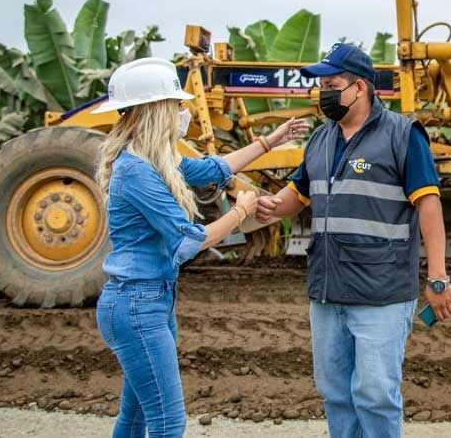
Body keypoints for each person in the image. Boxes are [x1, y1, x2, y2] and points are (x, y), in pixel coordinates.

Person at [92, 57, 309, 438]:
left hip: (148, 301)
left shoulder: (155, 162)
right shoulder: (138, 172)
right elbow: (188, 241)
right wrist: (241, 211)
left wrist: (269, 142)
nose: (183, 112)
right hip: (137, 306)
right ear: (154, 111)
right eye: (176, 105)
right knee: (167, 422)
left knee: (137, 418)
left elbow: (213, 169)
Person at [253, 43, 451, 438]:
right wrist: (268, 206)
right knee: (335, 393)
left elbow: (429, 208)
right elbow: (297, 195)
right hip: (328, 290)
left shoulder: (403, 134)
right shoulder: (321, 139)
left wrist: (438, 278)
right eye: (321, 85)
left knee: (375, 393)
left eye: (331, 84)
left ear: (359, 88)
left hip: (381, 292)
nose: (322, 93)